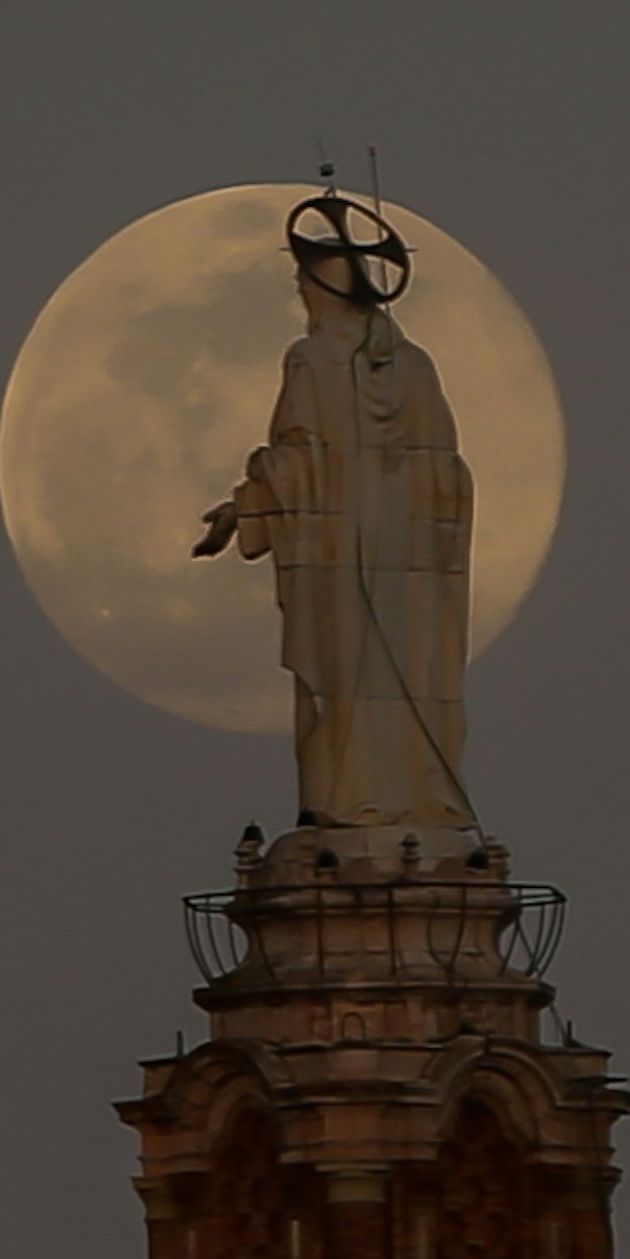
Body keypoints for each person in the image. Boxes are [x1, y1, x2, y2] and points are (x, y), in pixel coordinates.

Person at [193, 201, 475, 829]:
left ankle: (355, 801)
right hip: (410, 560)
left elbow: (296, 460)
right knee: (397, 670)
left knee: (348, 672)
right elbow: (448, 474)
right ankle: (403, 795)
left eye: (301, 283)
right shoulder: (416, 367)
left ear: (321, 288)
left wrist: (246, 504)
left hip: (344, 557)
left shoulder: (310, 359)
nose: (299, 295)